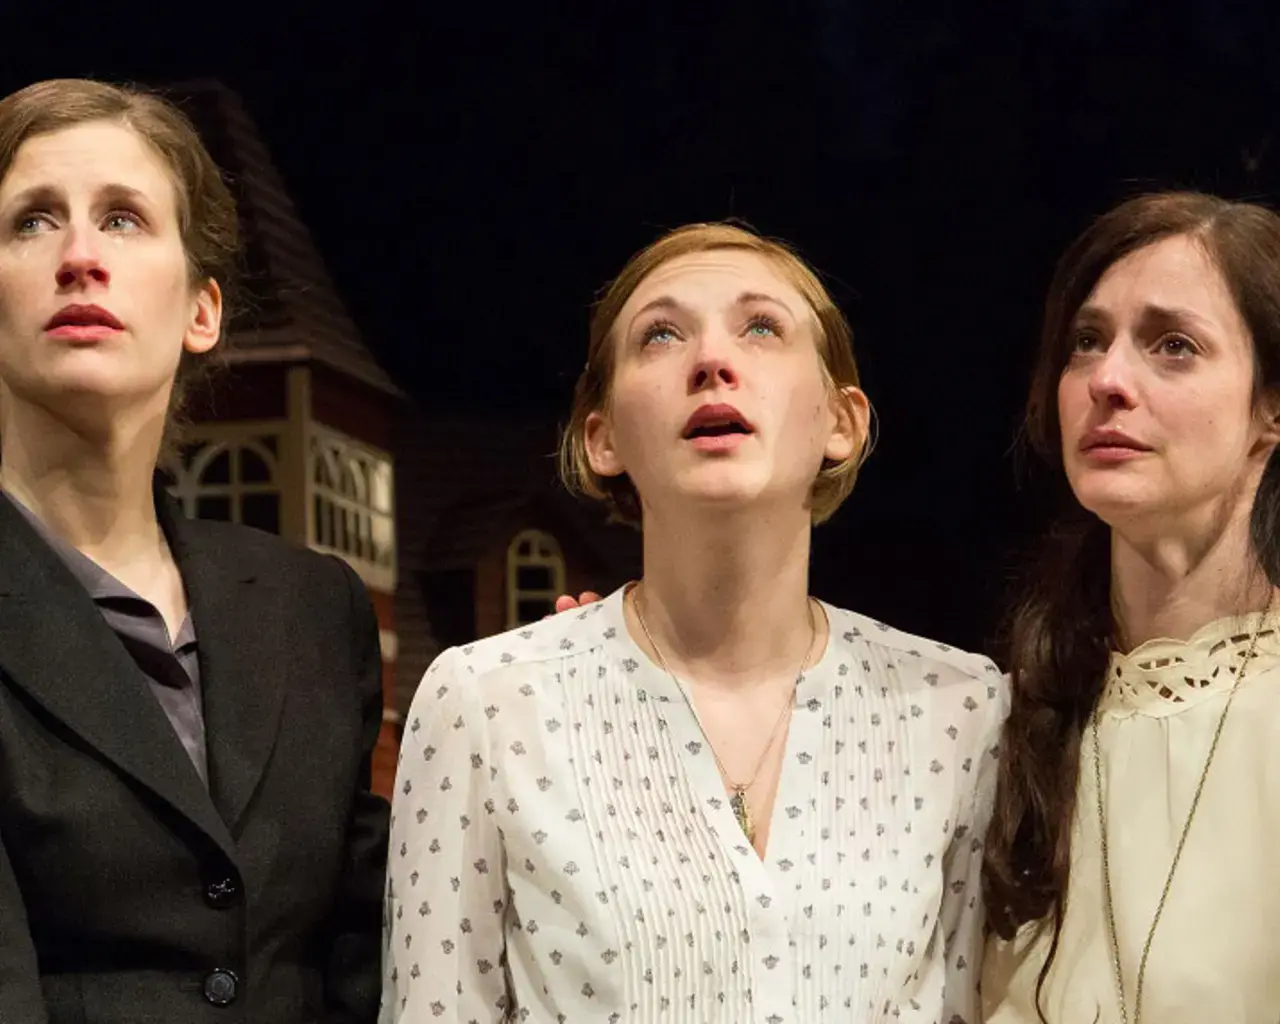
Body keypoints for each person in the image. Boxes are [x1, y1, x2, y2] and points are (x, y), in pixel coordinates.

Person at [381, 221, 1008, 1022]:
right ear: (601, 437)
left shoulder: (958, 708)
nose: (714, 362)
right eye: (662, 335)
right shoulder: (490, 703)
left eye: (762, 328)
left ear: (841, 422)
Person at [0, 79, 387, 1023]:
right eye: (32, 222)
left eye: (125, 220)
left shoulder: (313, 609)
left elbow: (377, 950)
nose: (81, 257)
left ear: (201, 311)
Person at [980, 192, 1280, 1022]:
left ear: (1271, 407)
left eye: (1173, 346)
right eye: (1087, 342)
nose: (1108, 381)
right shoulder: (998, 726)